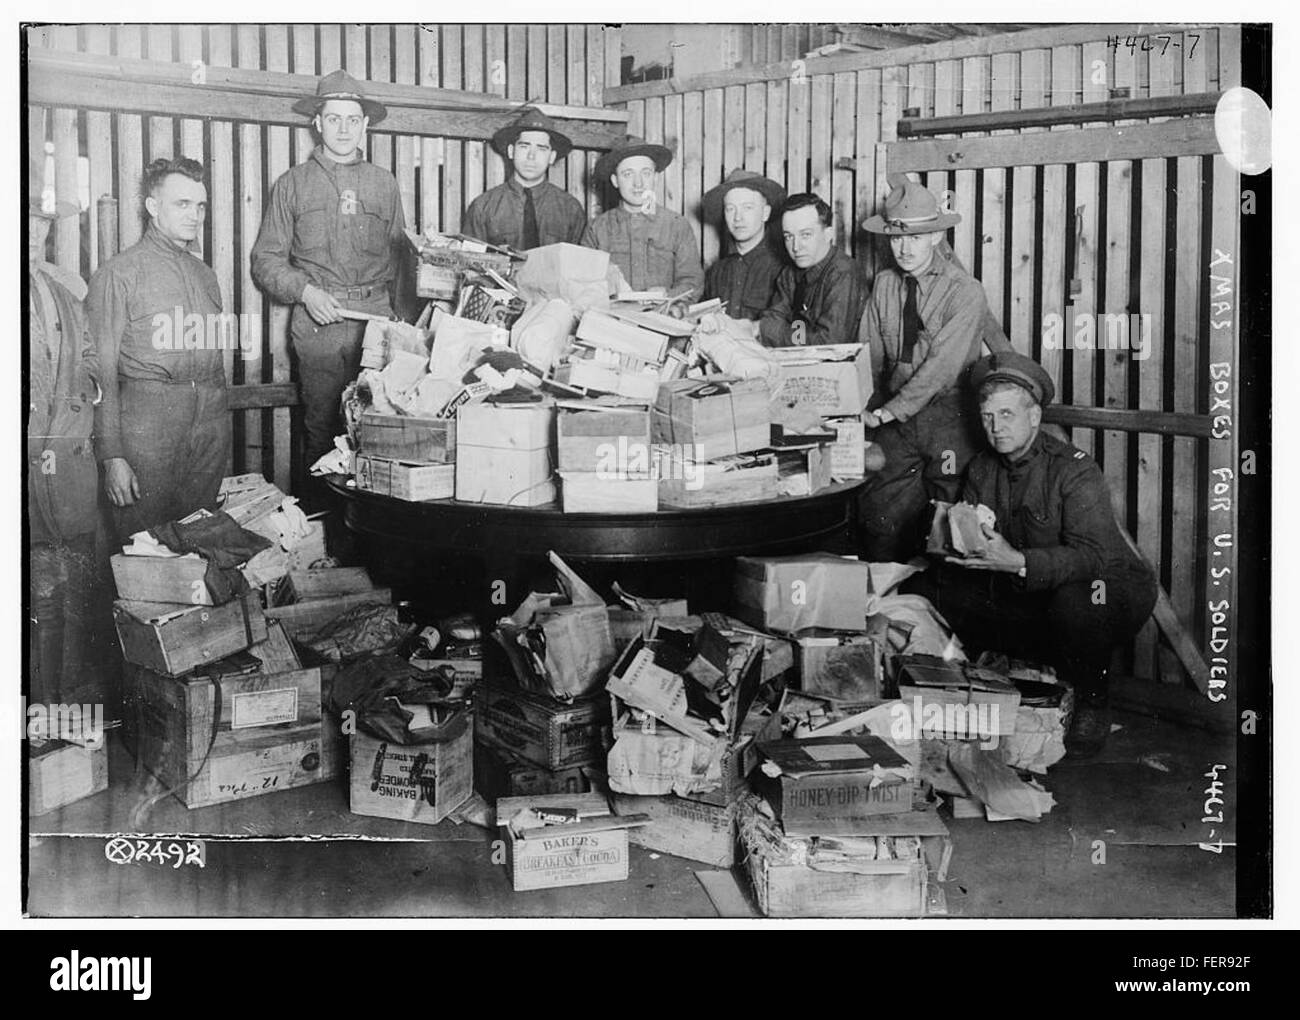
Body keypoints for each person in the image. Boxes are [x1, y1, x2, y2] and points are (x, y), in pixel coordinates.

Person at [908, 352, 1157, 755]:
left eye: (1007, 415)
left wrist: (1019, 562)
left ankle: (1093, 700)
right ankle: (989, 684)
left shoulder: (1074, 469)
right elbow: (977, 538)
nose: (995, 428)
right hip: (1027, 585)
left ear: (1035, 417)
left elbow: (1094, 556)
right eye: (988, 417)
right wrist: (955, 544)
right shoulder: (982, 469)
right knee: (931, 585)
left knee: (1075, 603)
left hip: (1107, 588)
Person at [251, 70, 408, 475]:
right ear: (317, 123)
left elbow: (403, 263)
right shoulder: (292, 184)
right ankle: (323, 534)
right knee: (322, 434)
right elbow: (265, 260)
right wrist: (306, 293)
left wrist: (402, 328)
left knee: (380, 429)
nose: (343, 128)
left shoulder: (384, 184)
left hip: (376, 320)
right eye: (334, 118)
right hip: (319, 323)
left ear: (365, 125)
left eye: (352, 119)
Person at [88, 156, 229, 542]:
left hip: (206, 433)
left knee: (199, 546)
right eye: (182, 204)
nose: (195, 215)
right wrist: (112, 456)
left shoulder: (206, 276)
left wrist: (216, 439)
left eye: (200, 205)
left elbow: (214, 364)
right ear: (152, 207)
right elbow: (99, 374)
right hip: (147, 434)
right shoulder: (118, 274)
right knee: (143, 555)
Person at [855, 178, 991, 561]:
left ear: (936, 237)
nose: (905, 248)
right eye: (897, 238)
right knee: (878, 515)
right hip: (893, 420)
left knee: (949, 527)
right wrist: (861, 407)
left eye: (917, 237)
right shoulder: (883, 284)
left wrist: (886, 412)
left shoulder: (964, 291)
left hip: (949, 417)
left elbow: (941, 370)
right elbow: (868, 354)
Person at [28, 173, 100, 706]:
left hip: (69, 467)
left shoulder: (62, 288)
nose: (32, 232)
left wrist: (90, 386)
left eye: (41, 223)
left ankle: (59, 710)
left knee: (69, 591)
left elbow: (90, 353)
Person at [582, 135, 703, 313]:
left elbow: (692, 283)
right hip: (612, 324)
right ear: (615, 181)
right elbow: (583, 283)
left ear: (655, 177)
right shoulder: (597, 229)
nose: (638, 183)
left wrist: (668, 295)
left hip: (664, 321)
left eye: (645, 173)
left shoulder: (677, 226)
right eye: (628, 174)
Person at [463, 107, 587, 250]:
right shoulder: (483, 207)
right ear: (511, 151)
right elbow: (470, 263)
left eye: (541, 148)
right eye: (524, 146)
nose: (531, 156)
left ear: (552, 156)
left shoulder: (570, 209)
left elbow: (578, 266)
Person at [758, 193, 866, 348]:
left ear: (828, 234)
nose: (796, 247)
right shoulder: (789, 273)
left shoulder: (844, 272)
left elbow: (827, 342)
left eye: (806, 235)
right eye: (789, 237)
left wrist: (768, 332)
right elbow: (774, 318)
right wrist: (769, 330)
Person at [701, 169, 786, 321]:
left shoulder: (784, 270)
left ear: (765, 213)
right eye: (730, 209)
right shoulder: (716, 272)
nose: (737, 218)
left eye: (747, 207)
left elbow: (796, 331)